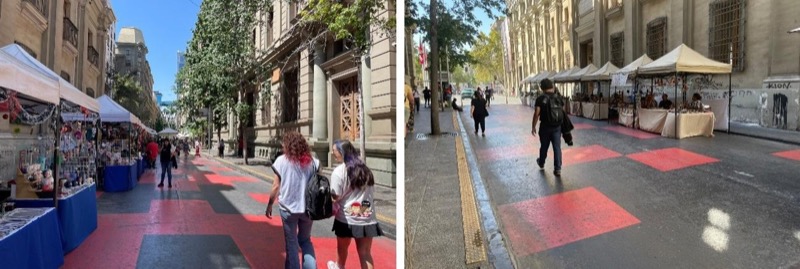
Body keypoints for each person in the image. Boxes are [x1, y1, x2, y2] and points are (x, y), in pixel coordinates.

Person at [266, 132, 320, 269]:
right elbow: (319, 184)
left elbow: (276, 186)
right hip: (308, 209)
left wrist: (270, 204)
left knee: (292, 244)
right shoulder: (314, 162)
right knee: (306, 241)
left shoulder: (281, 161)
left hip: (288, 209)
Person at [326, 140, 382, 269]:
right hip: (366, 215)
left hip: (346, 218)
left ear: (342, 152)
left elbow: (336, 196)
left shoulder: (339, 172)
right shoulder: (365, 169)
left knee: (342, 249)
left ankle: (339, 267)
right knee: (365, 253)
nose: (333, 153)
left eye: (334, 150)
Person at [532, 78, 565, 177]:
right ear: (551, 86)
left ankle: (541, 162)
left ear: (542, 88)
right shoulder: (558, 97)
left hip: (545, 127)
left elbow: (536, 113)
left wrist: (533, 126)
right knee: (557, 147)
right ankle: (557, 168)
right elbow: (562, 112)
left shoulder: (540, 98)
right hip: (557, 127)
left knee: (544, 146)